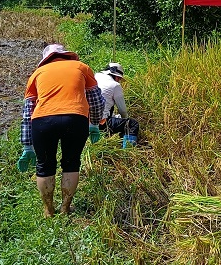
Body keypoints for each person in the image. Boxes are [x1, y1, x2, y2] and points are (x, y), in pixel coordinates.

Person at [18, 44, 105, 217]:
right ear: (66, 55)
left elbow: (28, 112)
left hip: (43, 121)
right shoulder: (81, 67)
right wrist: (94, 123)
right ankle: (65, 208)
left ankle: (48, 210)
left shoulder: (36, 74)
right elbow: (96, 101)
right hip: (75, 118)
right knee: (71, 163)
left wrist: (27, 146)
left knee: (44, 165)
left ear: (46, 59)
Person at [95, 62, 140, 148]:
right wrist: (125, 119)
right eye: (119, 78)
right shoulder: (115, 85)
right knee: (132, 124)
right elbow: (123, 111)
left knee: (114, 118)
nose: (119, 80)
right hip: (99, 122)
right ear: (116, 76)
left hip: (84, 119)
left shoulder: (95, 77)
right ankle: (128, 152)